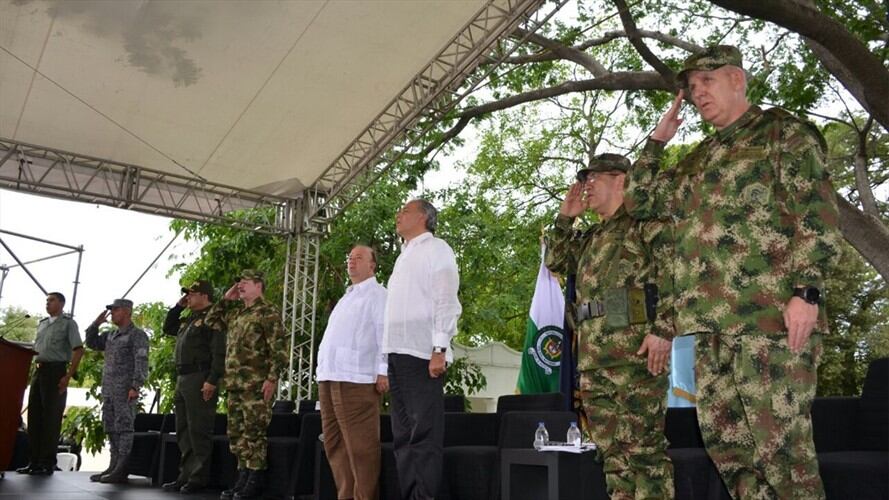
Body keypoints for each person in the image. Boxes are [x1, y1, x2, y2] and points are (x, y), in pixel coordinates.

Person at [625, 44, 843, 499]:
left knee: (783, 457)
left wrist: (807, 292)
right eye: (691, 87)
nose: (697, 92)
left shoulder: (782, 133)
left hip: (769, 326)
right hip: (711, 332)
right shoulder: (696, 161)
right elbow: (641, 203)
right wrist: (657, 143)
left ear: (738, 80)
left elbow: (816, 216)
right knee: (732, 456)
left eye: (707, 81)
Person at [544, 154, 675, 499]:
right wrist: (564, 219)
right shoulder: (590, 238)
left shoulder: (645, 224)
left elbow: (674, 277)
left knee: (644, 454)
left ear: (621, 180)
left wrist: (663, 330)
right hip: (594, 359)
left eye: (594, 179)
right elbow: (556, 260)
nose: (585, 187)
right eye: (584, 180)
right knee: (613, 456)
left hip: (635, 355)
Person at [383, 199, 461, 500]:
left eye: (405, 210)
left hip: (422, 354)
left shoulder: (436, 248)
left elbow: (445, 298)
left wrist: (439, 347)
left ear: (424, 217)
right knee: (403, 437)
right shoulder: (403, 255)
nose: (398, 214)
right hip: (397, 353)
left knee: (424, 435)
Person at [206, 270, 287, 500]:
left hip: (255, 384)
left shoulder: (267, 312)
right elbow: (211, 320)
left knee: (254, 433)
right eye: (238, 282)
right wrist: (227, 298)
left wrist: (272, 379)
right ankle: (242, 475)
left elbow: (279, 349)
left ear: (258, 285)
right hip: (235, 385)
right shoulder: (238, 313)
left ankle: (255, 478)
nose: (240, 285)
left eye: (245, 282)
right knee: (236, 434)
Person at [316, 245, 388, 500]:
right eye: (350, 258)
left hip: (356, 379)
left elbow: (384, 334)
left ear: (372, 266)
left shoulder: (379, 295)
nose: (352, 262)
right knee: (335, 444)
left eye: (359, 258)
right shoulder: (347, 297)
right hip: (329, 375)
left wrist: (383, 370)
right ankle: (345, 495)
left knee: (361, 447)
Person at [161, 280, 225, 494]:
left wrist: (212, 379)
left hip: (200, 376)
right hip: (183, 377)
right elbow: (168, 327)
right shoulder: (189, 319)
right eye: (186, 294)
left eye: (192, 293)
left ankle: (199, 477)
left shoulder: (213, 318)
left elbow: (219, 352)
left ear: (205, 296)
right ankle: (185, 474)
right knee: (183, 429)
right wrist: (178, 306)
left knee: (199, 428)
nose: (188, 297)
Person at [16, 292, 83, 476]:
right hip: (39, 370)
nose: (47, 303)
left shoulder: (68, 323)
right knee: (34, 417)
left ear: (61, 303)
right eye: (46, 300)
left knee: (51, 418)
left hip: (56, 371)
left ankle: (47, 461)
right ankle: (34, 461)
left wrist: (68, 376)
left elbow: (78, 349)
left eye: (51, 300)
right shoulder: (43, 324)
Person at [84, 298, 149, 484]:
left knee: (124, 428)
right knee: (110, 426)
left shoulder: (137, 335)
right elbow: (92, 343)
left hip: (125, 389)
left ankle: (122, 467)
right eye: (111, 310)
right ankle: (113, 465)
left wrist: (136, 385)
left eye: (116, 310)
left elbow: (141, 361)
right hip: (109, 389)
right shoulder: (111, 335)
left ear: (127, 311)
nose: (112, 313)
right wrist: (95, 324)